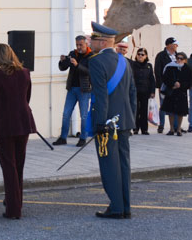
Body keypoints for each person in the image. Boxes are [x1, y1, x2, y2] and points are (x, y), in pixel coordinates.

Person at [88, 22, 136, 219]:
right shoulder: (125, 62)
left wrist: (99, 122)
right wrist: (130, 119)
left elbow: (100, 96)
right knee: (124, 165)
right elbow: (132, 94)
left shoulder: (96, 62)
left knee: (109, 165)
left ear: (102, 42)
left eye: (93, 39)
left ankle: (116, 207)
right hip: (124, 121)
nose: (90, 42)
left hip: (108, 124)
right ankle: (125, 206)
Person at [0, 43, 36, 220]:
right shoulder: (25, 73)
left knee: (8, 166)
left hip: (5, 124)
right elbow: (27, 98)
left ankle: (13, 209)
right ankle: (16, 201)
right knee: (19, 164)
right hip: (23, 122)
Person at [55, 35, 92, 147]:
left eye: (81, 45)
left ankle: (83, 138)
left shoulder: (91, 56)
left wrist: (77, 65)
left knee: (84, 115)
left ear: (86, 44)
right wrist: (62, 62)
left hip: (84, 89)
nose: (79, 47)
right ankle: (63, 137)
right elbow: (63, 68)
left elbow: (89, 72)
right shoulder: (73, 53)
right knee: (66, 114)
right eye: (77, 45)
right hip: (72, 88)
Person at [160, 52, 192, 136]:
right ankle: (171, 128)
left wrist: (181, 85)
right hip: (172, 91)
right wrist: (173, 84)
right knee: (170, 111)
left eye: (181, 58)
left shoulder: (187, 68)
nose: (179, 60)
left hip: (181, 92)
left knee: (180, 112)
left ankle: (178, 129)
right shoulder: (170, 67)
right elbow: (165, 78)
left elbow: (190, 81)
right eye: (177, 58)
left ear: (185, 60)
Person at [154, 37, 178, 134]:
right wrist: (160, 85)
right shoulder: (161, 55)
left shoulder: (178, 55)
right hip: (164, 85)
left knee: (175, 106)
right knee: (163, 106)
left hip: (175, 86)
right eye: (174, 44)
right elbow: (157, 71)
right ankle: (161, 125)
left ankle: (176, 126)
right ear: (168, 45)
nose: (176, 46)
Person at [131, 48, 155, 135]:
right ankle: (135, 128)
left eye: (142, 54)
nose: (140, 56)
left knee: (144, 110)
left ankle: (144, 129)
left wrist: (152, 91)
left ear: (146, 56)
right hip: (135, 91)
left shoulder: (149, 66)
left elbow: (152, 79)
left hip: (145, 91)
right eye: (139, 54)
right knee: (135, 110)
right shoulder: (132, 65)